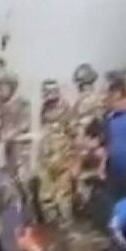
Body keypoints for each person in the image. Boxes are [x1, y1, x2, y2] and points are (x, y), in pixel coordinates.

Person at [36, 79, 77, 227]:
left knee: (63, 195)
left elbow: (73, 134)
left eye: (49, 92)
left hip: (62, 157)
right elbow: (43, 131)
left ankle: (67, 224)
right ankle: (51, 224)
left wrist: (73, 159)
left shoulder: (65, 107)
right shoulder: (44, 109)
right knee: (46, 195)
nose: (47, 96)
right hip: (47, 158)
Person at [71, 63, 107, 215]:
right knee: (75, 174)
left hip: (96, 143)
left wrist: (95, 142)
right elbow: (75, 124)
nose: (82, 88)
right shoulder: (80, 102)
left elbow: (101, 123)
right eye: (81, 85)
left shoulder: (98, 100)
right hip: (83, 145)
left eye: (84, 84)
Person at [0, 71, 34, 181]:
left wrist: (12, 133)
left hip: (20, 146)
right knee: (7, 178)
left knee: (22, 178)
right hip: (7, 147)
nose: (1, 89)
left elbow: (25, 124)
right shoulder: (0, 103)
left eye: (4, 85)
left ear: (11, 87)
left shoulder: (22, 102)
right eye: (0, 86)